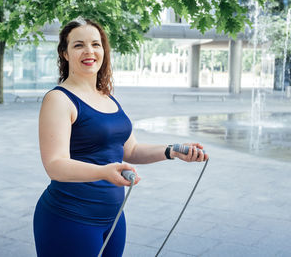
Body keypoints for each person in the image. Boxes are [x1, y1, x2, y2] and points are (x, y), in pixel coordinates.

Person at [33, 18, 208, 257]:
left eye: (96, 44)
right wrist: (104, 172)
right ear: (64, 53)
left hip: (113, 217)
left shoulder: (107, 97)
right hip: (70, 217)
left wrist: (172, 150)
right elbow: (55, 165)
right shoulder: (59, 99)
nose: (89, 51)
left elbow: (131, 150)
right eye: (78, 45)